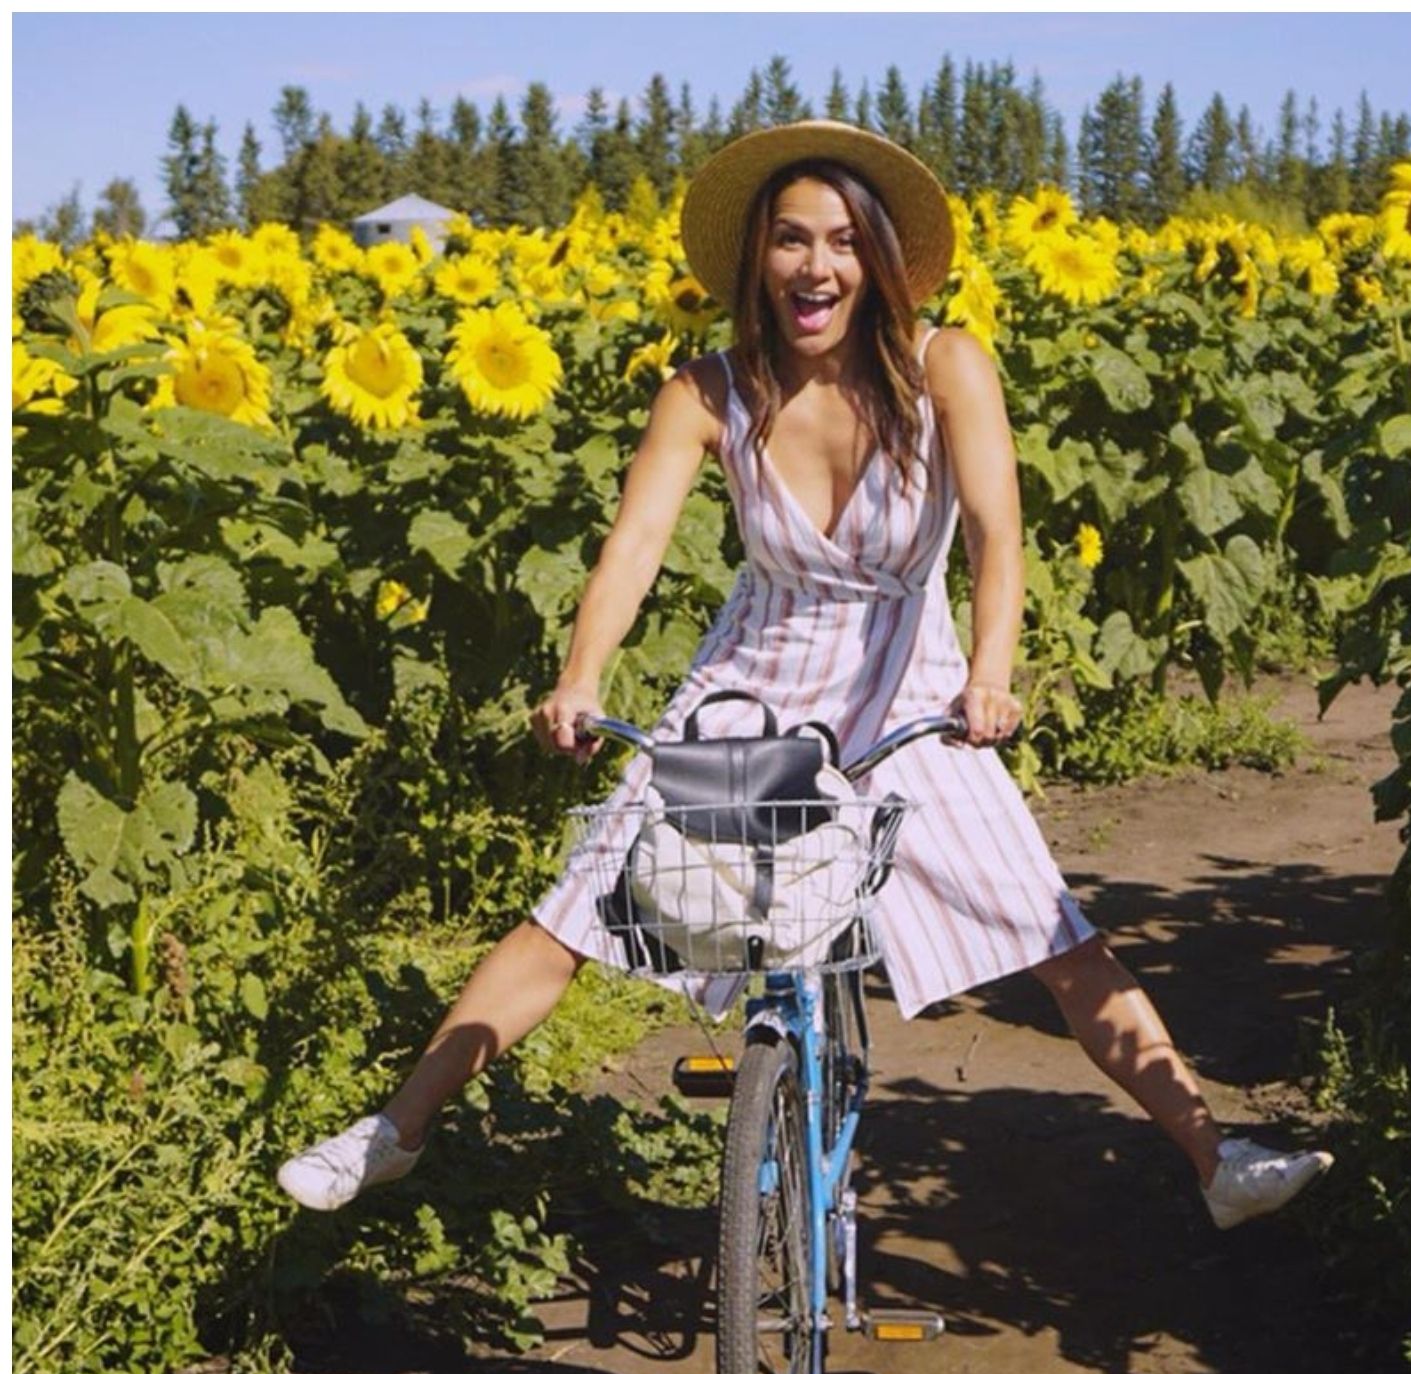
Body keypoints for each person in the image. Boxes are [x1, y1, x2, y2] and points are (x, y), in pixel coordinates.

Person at [280, 120, 1330, 1230]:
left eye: (839, 241)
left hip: (915, 678)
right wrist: (580, 674)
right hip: (757, 675)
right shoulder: (707, 392)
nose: (814, 266)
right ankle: (392, 1135)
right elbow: (633, 546)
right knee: (587, 903)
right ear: (757, 261)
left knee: (1049, 931)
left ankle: (1217, 1160)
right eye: (790, 240)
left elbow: (995, 536)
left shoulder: (946, 366)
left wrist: (990, 674)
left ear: (877, 258)